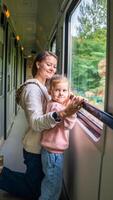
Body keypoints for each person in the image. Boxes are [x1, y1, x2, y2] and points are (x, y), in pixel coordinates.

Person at [0, 51, 83, 199]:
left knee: (38, 184)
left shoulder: (45, 88)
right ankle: (2, 174)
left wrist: (69, 98)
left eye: (55, 66)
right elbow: (36, 123)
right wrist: (63, 114)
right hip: (35, 148)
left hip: (42, 145)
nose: (52, 68)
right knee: (35, 191)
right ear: (38, 64)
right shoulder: (33, 89)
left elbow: (56, 101)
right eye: (49, 64)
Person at [39, 74, 79, 200]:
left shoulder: (54, 103)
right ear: (50, 91)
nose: (61, 93)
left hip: (51, 152)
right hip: (53, 154)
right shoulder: (56, 107)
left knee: (50, 182)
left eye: (64, 90)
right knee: (53, 186)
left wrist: (70, 99)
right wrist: (72, 112)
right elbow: (68, 124)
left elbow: (64, 104)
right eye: (57, 90)